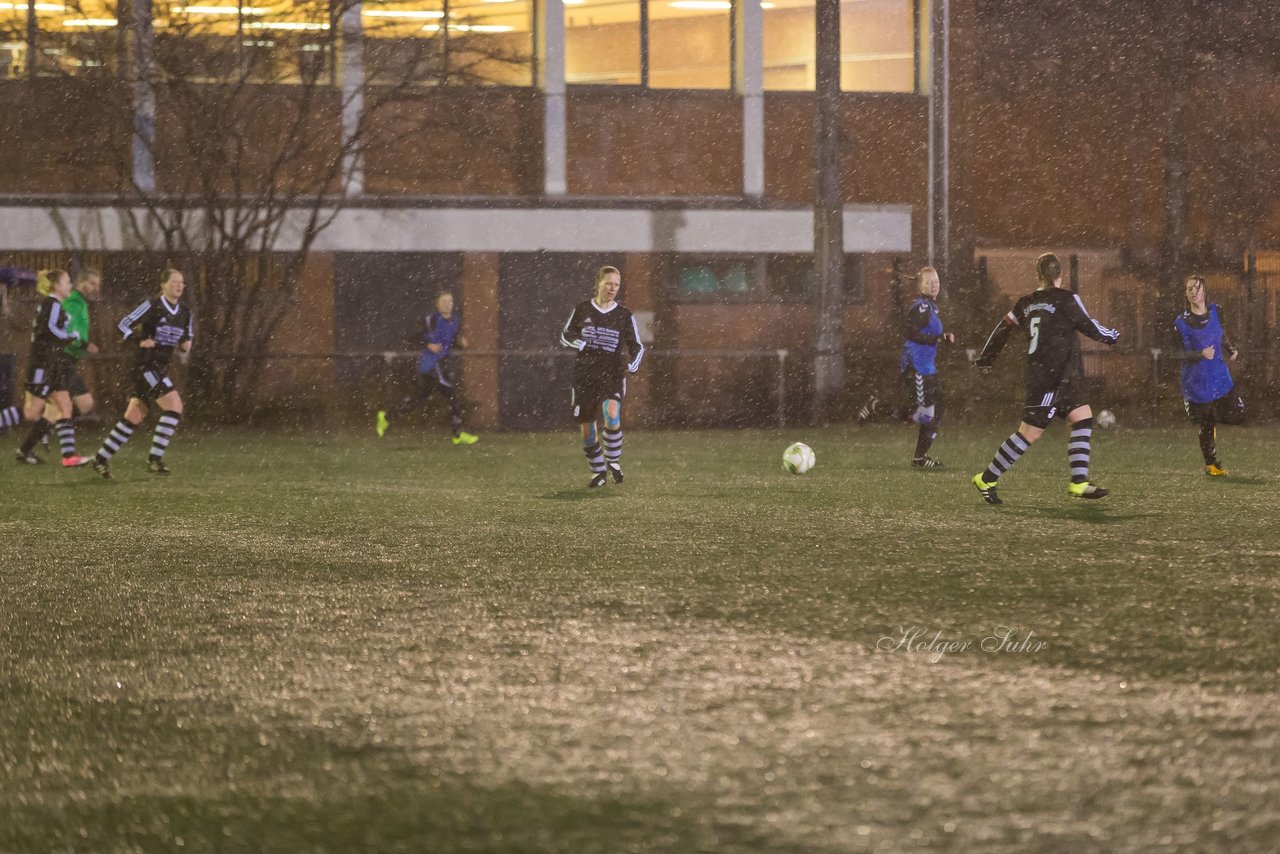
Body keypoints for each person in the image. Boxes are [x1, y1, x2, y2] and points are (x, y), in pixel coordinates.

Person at [971, 253, 1119, 504]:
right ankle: (986, 478)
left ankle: (1079, 482)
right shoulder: (1066, 299)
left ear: (1039, 276)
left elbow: (1003, 328)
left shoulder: (1026, 303)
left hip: (1055, 376)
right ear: (1060, 275)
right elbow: (1088, 325)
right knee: (1029, 434)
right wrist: (1111, 335)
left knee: (1082, 417)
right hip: (1048, 379)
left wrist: (986, 358)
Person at [90, 268, 193, 479]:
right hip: (145, 366)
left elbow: (186, 343)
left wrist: (185, 344)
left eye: (182, 282)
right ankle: (154, 459)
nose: (179, 286)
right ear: (163, 285)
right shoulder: (152, 305)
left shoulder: (185, 313)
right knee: (174, 407)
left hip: (160, 368)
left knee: (133, 417)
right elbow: (123, 324)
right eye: (174, 282)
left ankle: (100, 458)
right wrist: (138, 340)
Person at [559, 265, 645, 488]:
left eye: (616, 285)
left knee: (611, 413)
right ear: (598, 283)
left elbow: (637, 346)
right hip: (585, 375)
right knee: (587, 428)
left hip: (612, 374)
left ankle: (614, 461)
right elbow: (566, 335)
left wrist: (633, 365)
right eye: (609, 283)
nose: (612, 288)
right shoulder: (583, 309)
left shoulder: (624, 316)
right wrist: (580, 343)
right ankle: (598, 472)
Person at [7, 269, 91, 466]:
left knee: (65, 405)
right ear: (56, 285)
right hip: (42, 363)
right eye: (67, 281)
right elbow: (51, 329)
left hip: (52, 363)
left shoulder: (56, 304)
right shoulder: (52, 303)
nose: (70, 285)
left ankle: (69, 457)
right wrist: (71, 336)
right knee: (31, 412)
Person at [375, 291, 478, 446]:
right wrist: (428, 344)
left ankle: (386, 417)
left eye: (450, 301)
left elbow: (450, 340)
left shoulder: (455, 320)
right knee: (453, 397)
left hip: (439, 364)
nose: (447, 304)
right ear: (437, 304)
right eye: (443, 301)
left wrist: (460, 342)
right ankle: (457, 434)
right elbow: (411, 335)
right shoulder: (431, 319)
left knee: (417, 400)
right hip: (431, 364)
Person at [1174, 274, 1244, 476]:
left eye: (1197, 288)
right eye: (1189, 289)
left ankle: (1210, 422)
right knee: (1206, 422)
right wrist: (1199, 354)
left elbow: (1220, 332)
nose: (1193, 292)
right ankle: (1211, 465)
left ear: (1205, 291)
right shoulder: (1181, 322)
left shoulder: (1216, 311)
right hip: (1196, 380)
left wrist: (1230, 349)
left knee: (1238, 413)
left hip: (1218, 376)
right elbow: (1177, 353)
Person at [39, 268, 102, 453]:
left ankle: (40, 435)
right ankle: (58, 439)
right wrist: (84, 344)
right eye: (93, 284)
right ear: (82, 283)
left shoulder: (79, 301)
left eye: (98, 284)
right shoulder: (74, 302)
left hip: (66, 358)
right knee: (84, 403)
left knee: (57, 407)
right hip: (63, 358)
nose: (96, 288)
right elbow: (68, 331)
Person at [899, 266, 955, 468]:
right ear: (921, 285)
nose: (934, 286)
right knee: (922, 414)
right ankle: (877, 408)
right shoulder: (921, 306)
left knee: (936, 409)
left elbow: (929, 335)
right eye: (929, 282)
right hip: (917, 367)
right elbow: (909, 330)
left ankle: (919, 458)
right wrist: (937, 338)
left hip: (928, 368)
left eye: (936, 282)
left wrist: (943, 337)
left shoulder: (932, 307)